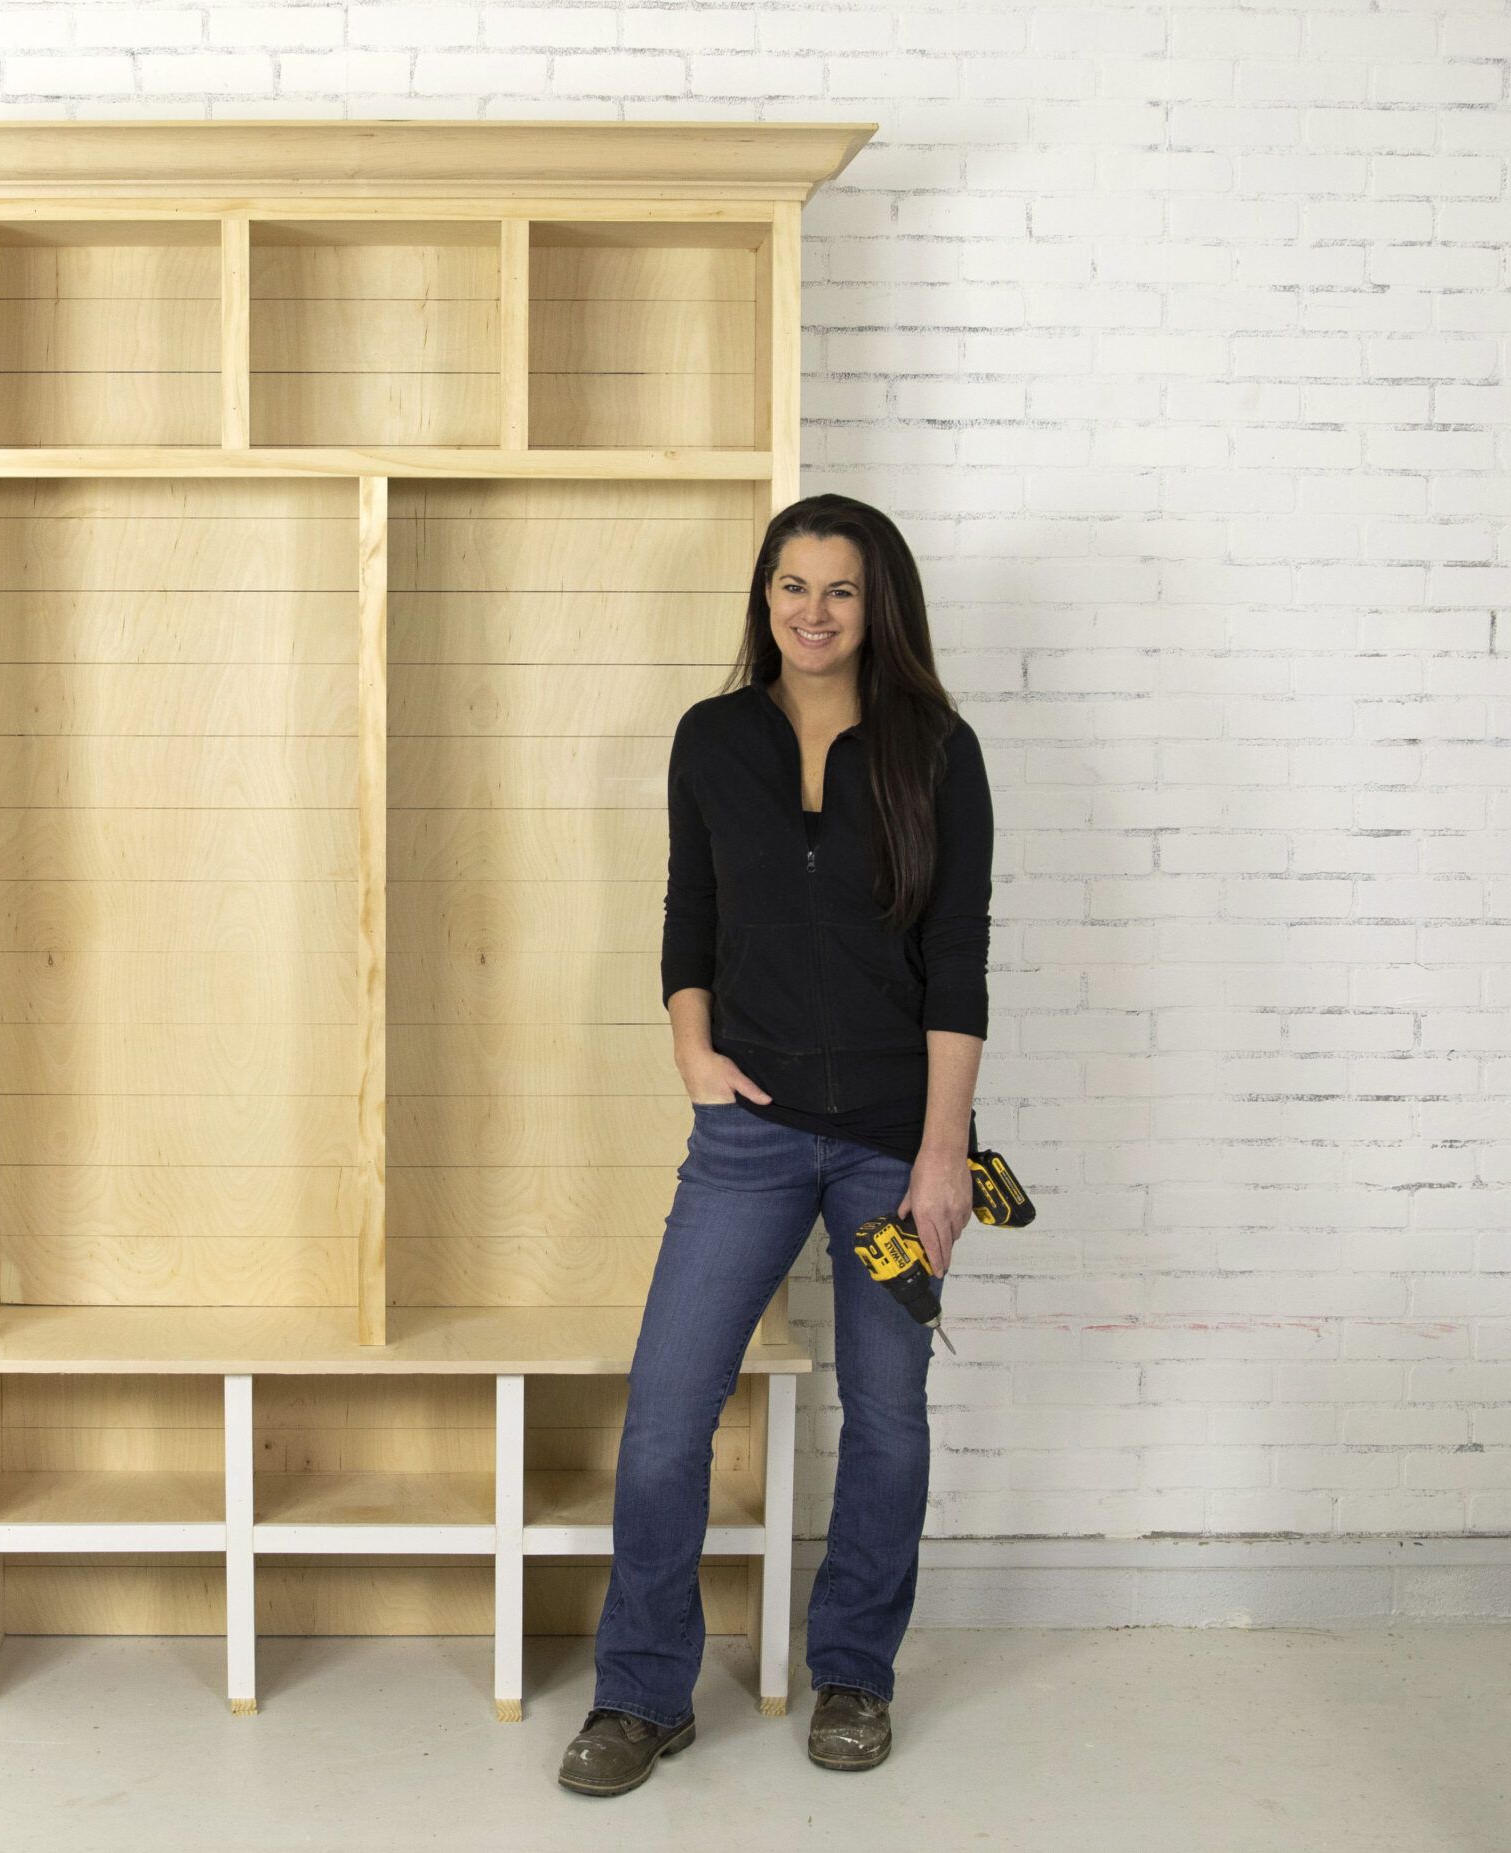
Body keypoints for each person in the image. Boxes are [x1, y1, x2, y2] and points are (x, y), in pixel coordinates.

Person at [555, 493, 995, 1796]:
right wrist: (694, 1052)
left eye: (840, 590)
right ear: (765, 597)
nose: (812, 611)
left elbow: (956, 973)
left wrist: (939, 1157)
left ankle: (853, 1671)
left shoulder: (936, 751)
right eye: (791, 585)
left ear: (879, 607)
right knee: (665, 1421)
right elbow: (690, 916)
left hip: (887, 1147)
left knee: (890, 1418)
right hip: (745, 1137)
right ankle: (644, 1693)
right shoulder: (713, 740)